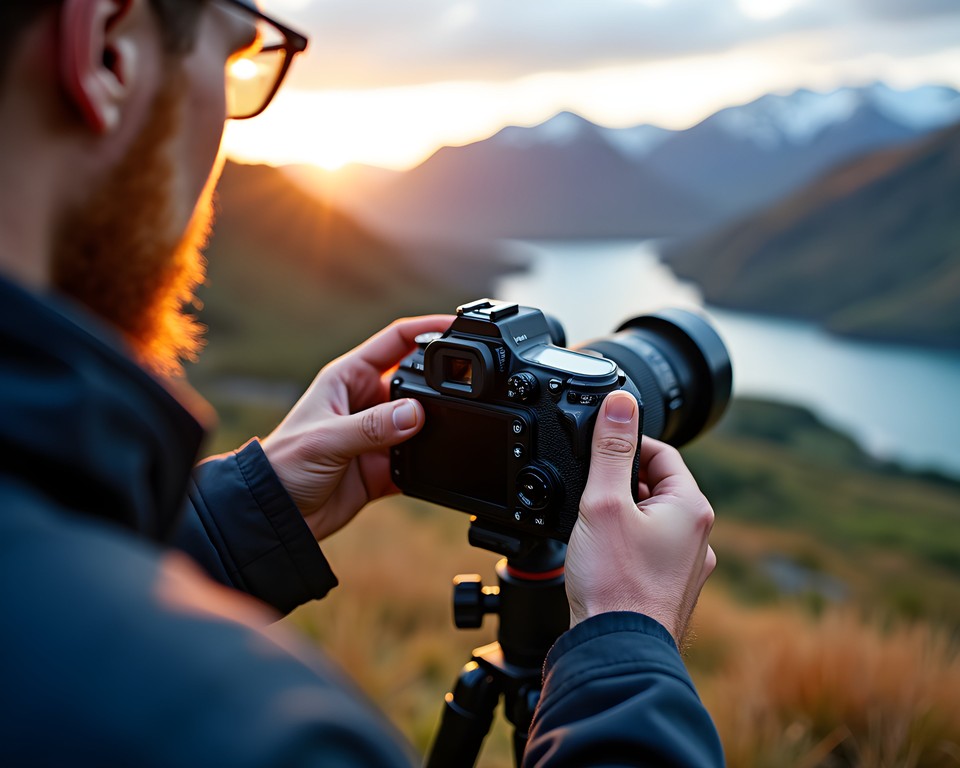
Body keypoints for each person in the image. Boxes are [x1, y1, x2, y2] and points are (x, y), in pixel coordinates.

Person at [0, 1, 724, 765]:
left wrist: (247, 516)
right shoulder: (250, 733)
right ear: (110, 50)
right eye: (237, 60)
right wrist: (628, 652)